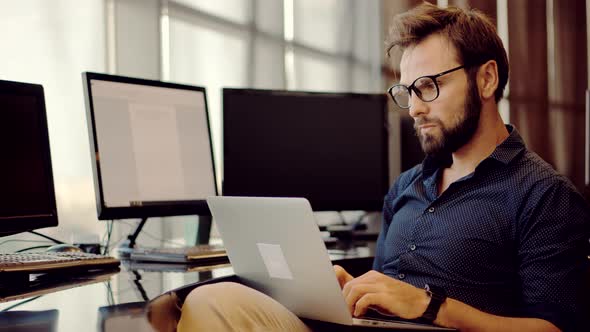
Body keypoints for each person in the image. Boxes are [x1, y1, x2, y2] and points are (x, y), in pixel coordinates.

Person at [148, 3, 590, 332]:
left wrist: (432, 306)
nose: (414, 108)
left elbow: (558, 329)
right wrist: (349, 289)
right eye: (406, 92)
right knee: (211, 300)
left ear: (487, 79)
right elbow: (387, 284)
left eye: (429, 87)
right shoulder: (406, 188)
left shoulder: (543, 195)